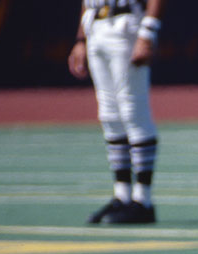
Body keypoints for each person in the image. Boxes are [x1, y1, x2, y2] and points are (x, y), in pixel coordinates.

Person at [68, 0, 165, 224]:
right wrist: (81, 39)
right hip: (96, 23)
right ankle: (122, 196)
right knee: (109, 115)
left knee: (133, 111)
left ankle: (143, 200)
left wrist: (148, 31)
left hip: (126, 23)